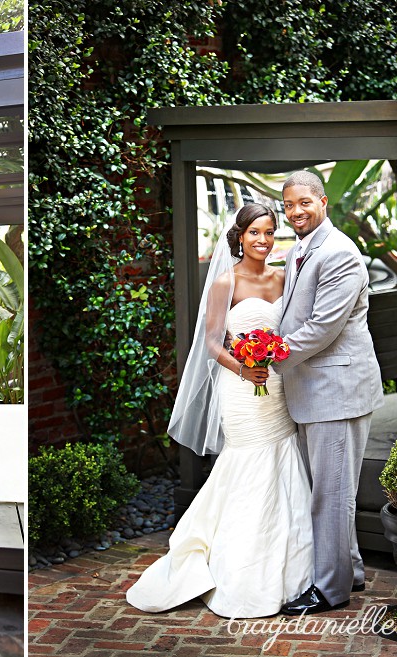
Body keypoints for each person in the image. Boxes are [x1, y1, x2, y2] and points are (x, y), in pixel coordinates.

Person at [126, 203, 314, 618]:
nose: (263, 241)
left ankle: (292, 567)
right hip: (241, 386)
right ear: (240, 235)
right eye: (255, 233)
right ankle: (240, 569)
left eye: (269, 232)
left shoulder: (285, 278)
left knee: (282, 459)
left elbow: (293, 332)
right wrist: (245, 367)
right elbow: (211, 343)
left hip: (276, 384)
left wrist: (273, 360)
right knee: (247, 463)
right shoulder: (224, 283)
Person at [274, 171, 383, 615]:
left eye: (304, 202)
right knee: (334, 489)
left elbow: (322, 328)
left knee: (331, 494)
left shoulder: (339, 253)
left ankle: (330, 590)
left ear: (323, 203)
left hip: (335, 390)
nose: (295, 211)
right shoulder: (299, 250)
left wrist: (268, 357)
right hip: (313, 388)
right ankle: (350, 571)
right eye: (288, 205)